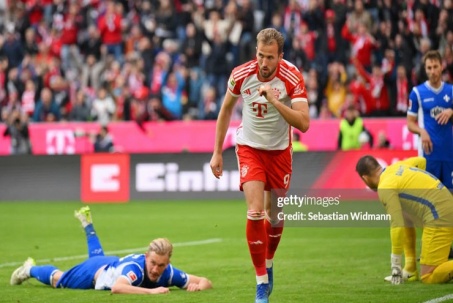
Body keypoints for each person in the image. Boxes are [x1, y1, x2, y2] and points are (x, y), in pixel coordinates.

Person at [209, 28, 309, 303]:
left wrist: (275, 101)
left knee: (273, 214)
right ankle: (261, 282)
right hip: (249, 148)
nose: (264, 63)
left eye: (270, 57)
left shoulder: (291, 77)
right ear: (256, 52)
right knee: (254, 212)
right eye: (260, 55)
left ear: (280, 56)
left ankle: (269, 259)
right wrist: (217, 152)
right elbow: (226, 110)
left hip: (279, 152)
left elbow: (304, 124)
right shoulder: (241, 74)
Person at [10, 206, 212, 294]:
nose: (156, 269)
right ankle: (28, 270)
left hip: (109, 263)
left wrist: (198, 287)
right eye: (153, 263)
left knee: (95, 258)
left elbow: (205, 281)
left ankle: (88, 225)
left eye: (161, 265)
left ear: (167, 263)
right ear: (145, 257)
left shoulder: (167, 273)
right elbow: (118, 288)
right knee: (59, 281)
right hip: (93, 274)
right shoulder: (135, 269)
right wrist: (153, 293)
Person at [356, 155, 453, 284]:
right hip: (446, 203)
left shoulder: (385, 187)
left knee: (428, 277)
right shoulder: (399, 166)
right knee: (404, 212)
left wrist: (395, 266)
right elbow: (422, 162)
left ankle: (411, 269)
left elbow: (397, 226)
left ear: (365, 178)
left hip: (438, 215)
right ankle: (410, 269)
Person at [406, 50, 453, 258]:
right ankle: (429, 249)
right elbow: (410, 123)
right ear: (425, 70)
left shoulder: (451, 92)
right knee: (429, 204)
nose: (432, 71)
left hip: (449, 156)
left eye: (435, 67)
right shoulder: (417, 93)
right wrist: (422, 131)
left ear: (441, 66)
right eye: (429, 68)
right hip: (429, 157)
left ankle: (449, 248)